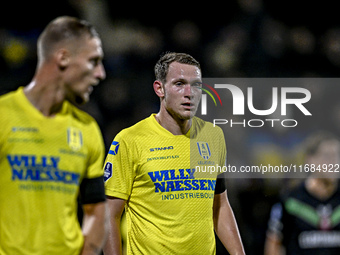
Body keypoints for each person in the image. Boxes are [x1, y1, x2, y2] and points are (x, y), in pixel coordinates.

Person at [103, 52, 245, 254]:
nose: (190, 93)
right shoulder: (130, 140)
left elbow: (220, 205)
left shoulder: (213, 136)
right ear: (159, 89)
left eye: (196, 85)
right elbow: (109, 214)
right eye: (179, 84)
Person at [0, 16, 108, 255]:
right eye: (94, 62)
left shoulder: (87, 129)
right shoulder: (3, 116)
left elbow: (96, 212)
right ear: (63, 58)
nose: (101, 74)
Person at [264, 131, 340, 255]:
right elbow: (273, 245)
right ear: (310, 160)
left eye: (337, 156)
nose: (333, 162)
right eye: (327, 156)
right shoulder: (290, 201)